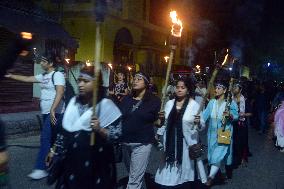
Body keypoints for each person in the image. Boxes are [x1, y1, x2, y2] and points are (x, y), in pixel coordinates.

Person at [46, 66, 122, 189]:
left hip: (96, 164)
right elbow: (64, 132)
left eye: (86, 81)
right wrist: (54, 150)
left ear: (96, 84)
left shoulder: (106, 106)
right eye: (79, 80)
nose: (80, 84)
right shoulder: (73, 103)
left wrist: (100, 129)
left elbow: (117, 135)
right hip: (72, 162)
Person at [5, 55, 65, 180]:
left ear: (50, 63)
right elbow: (27, 78)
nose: (41, 63)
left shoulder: (57, 75)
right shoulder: (43, 76)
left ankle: (41, 168)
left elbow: (60, 92)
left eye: (43, 61)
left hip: (55, 112)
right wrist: (11, 76)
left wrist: (53, 109)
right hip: (46, 112)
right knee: (54, 139)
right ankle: (58, 163)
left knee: (45, 137)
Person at [155, 78, 208, 188]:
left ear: (188, 90)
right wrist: (159, 132)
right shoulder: (169, 104)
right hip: (169, 142)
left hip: (185, 144)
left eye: (182, 88)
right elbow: (164, 123)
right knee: (168, 172)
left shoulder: (194, 105)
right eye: (177, 87)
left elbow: (202, 126)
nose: (179, 90)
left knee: (184, 174)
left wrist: (198, 123)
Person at [119, 72, 161, 189]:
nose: (135, 81)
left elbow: (157, 123)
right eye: (134, 78)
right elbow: (120, 117)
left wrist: (161, 119)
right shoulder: (126, 99)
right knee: (134, 175)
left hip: (142, 143)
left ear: (146, 83)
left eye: (139, 79)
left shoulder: (154, 101)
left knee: (133, 181)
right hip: (125, 143)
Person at [202, 81, 238, 187]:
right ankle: (218, 174)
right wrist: (197, 121)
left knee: (218, 155)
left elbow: (236, 116)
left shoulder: (230, 102)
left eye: (219, 88)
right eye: (216, 87)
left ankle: (210, 178)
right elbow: (204, 116)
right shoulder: (212, 102)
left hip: (224, 132)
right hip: (211, 134)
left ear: (225, 90)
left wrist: (230, 115)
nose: (216, 90)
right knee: (212, 155)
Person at [232, 82, 252, 168]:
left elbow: (250, 113)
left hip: (242, 123)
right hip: (233, 123)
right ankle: (235, 158)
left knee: (243, 141)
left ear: (240, 90)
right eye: (234, 87)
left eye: (236, 87)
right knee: (234, 141)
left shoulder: (245, 100)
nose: (234, 89)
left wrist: (243, 115)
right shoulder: (231, 99)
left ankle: (243, 159)